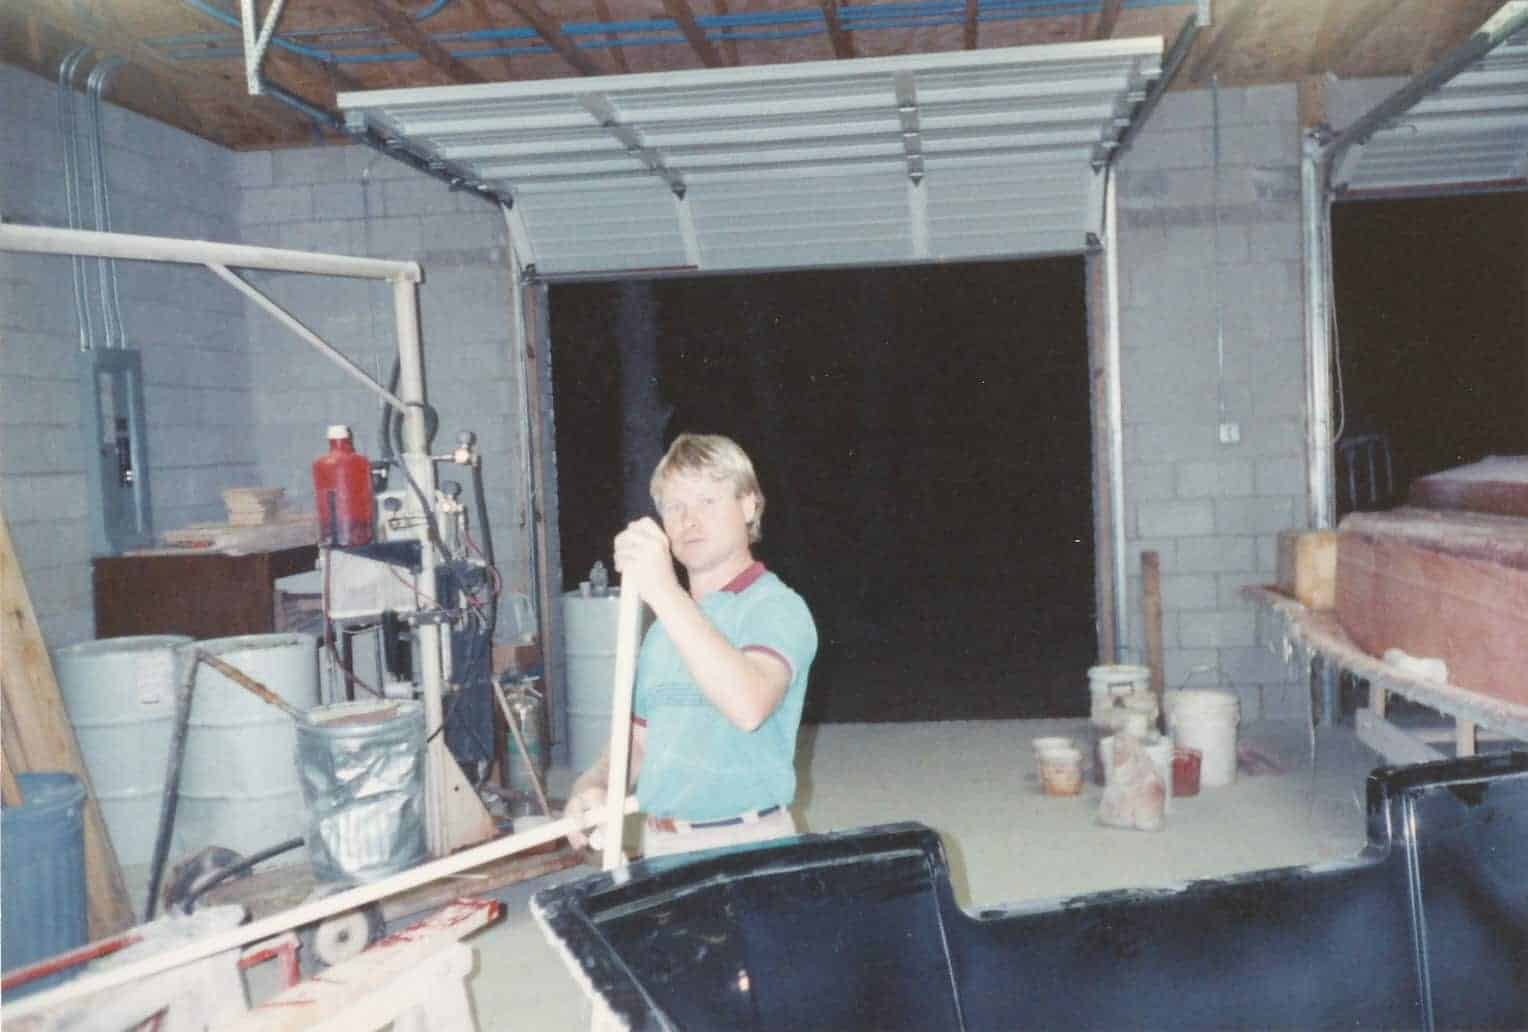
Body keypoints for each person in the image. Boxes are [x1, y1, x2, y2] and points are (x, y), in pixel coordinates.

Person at [563, 433, 818, 859]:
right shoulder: (663, 632)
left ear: (749, 506)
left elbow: (748, 704)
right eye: (675, 506)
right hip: (660, 845)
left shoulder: (775, 608)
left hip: (746, 845)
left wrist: (663, 591)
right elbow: (637, 744)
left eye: (707, 501)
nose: (689, 520)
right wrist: (595, 784)